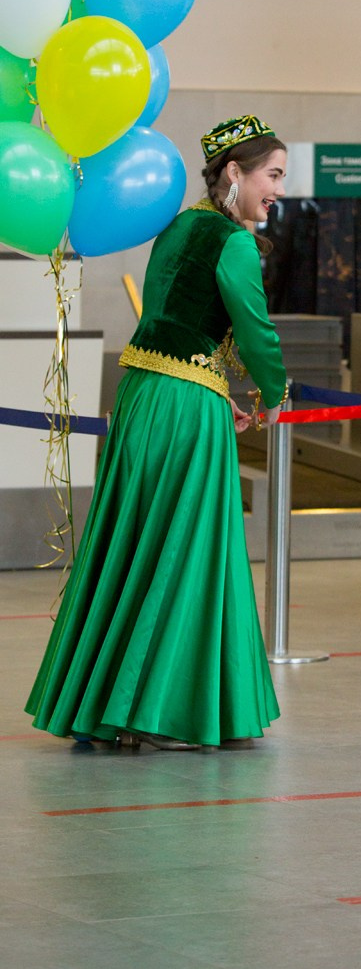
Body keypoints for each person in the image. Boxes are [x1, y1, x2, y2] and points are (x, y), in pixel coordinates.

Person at [26, 115, 289, 750]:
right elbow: (254, 329)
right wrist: (274, 391)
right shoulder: (234, 242)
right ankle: (162, 709)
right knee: (185, 546)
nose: (279, 190)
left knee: (135, 540)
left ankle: (112, 698)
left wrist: (212, 381)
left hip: (144, 394)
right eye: (272, 175)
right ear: (235, 173)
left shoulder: (177, 227)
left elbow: (176, 316)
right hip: (183, 410)